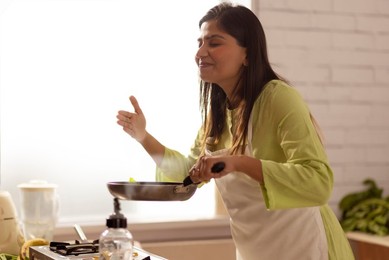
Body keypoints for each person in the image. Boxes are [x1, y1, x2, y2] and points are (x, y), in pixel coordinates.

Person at [116, 2, 355, 260]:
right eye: (200, 43)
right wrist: (143, 135)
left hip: (306, 247)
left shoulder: (278, 99)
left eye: (214, 43)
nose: (201, 52)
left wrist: (239, 163)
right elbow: (186, 174)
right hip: (256, 252)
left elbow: (318, 182)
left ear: (248, 54)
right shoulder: (217, 114)